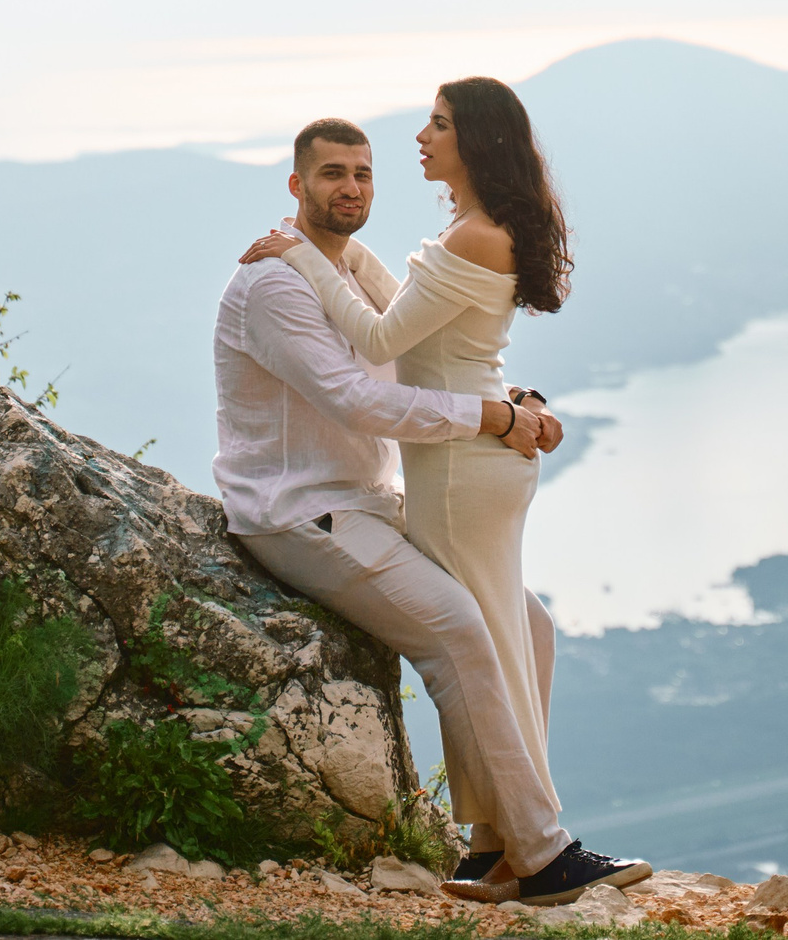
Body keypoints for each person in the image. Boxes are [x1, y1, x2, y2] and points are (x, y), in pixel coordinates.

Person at [228, 87, 647, 905]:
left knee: (518, 625)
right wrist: (495, 412)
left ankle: (497, 844)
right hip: (316, 505)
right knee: (475, 627)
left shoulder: (378, 257)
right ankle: (535, 848)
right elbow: (368, 385)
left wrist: (502, 404)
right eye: (332, 174)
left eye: (363, 172)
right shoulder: (280, 282)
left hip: (410, 485)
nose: (353, 185)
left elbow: (403, 342)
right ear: (296, 185)